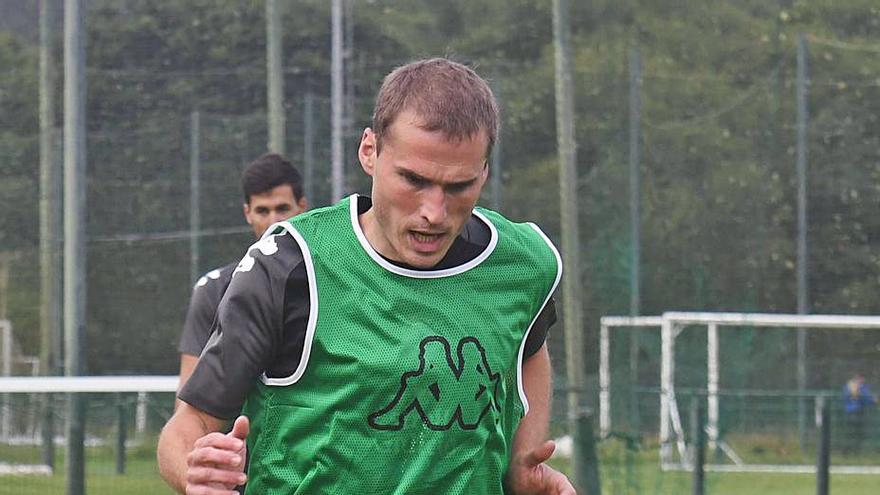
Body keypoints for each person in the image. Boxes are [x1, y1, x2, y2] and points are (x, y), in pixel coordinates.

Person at [159, 58, 575, 495]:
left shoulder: (523, 264)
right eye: (413, 179)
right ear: (370, 151)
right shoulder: (290, 265)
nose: (434, 212)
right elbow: (192, 422)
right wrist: (196, 472)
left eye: (458, 186)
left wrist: (522, 461)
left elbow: (529, 344)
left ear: (485, 170)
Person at [177, 153, 308, 398]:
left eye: (282, 209)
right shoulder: (213, 290)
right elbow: (187, 400)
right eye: (262, 211)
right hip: (235, 433)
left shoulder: (328, 281)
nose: (273, 222)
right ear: (248, 213)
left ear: (302, 207)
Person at [842, 372, 877, 453]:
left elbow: (867, 398)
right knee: (851, 432)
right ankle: (847, 450)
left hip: (859, 411)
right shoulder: (850, 386)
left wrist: (873, 400)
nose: (862, 380)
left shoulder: (863, 387)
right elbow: (847, 397)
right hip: (852, 412)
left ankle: (855, 450)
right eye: (860, 378)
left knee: (858, 432)